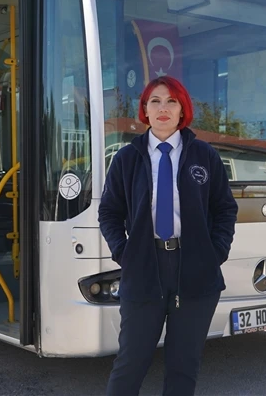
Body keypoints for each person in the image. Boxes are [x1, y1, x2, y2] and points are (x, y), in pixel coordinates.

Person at [99, 76, 238, 396]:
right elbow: (108, 212)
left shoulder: (205, 156)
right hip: (144, 268)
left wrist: (214, 252)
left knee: (183, 367)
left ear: (182, 111)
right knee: (130, 363)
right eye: (155, 101)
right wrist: (124, 251)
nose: (163, 108)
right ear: (145, 111)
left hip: (196, 272)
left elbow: (225, 210)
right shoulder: (126, 159)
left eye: (171, 101)